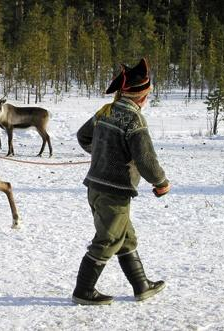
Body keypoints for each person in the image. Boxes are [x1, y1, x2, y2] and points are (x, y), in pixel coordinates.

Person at [72, 58, 171, 305]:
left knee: (125, 237)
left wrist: (102, 154)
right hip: (113, 192)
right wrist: (161, 182)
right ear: (142, 97)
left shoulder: (106, 111)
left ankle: (141, 286)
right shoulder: (134, 120)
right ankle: (83, 291)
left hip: (95, 187)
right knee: (107, 240)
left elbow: (83, 136)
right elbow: (146, 160)